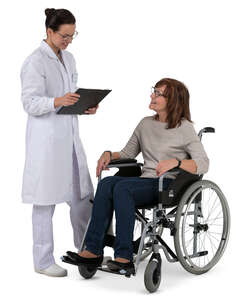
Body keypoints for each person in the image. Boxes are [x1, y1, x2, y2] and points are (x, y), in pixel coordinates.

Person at [63, 78, 209, 274]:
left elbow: (203, 163)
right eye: (153, 91)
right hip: (144, 181)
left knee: (123, 188)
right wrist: (108, 154)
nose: (152, 96)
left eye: (158, 93)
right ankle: (92, 251)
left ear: (173, 99)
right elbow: (127, 154)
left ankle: (124, 257)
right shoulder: (145, 123)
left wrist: (177, 162)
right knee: (107, 183)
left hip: (168, 185)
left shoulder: (184, 128)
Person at [20, 8, 98, 277]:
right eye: (64, 35)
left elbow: (71, 96)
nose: (68, 40)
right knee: (45, 201)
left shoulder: (70, 58)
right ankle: (42, 261)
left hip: (70, 138)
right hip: (47, 142)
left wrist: (83, 106)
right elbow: (29, 102)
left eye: (72, 35)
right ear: (49, 32)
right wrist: (56, 101)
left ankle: (87, 250)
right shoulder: (34, 62)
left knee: (82, 196)